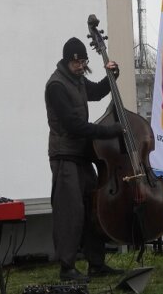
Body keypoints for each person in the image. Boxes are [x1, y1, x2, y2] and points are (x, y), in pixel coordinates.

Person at [45, 36, 125, 282]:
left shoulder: (77, 80)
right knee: (70, 213)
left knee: (93, 209)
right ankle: (67, 268)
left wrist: (113, 77)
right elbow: (74, 125)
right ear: (68, 61)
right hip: (64, 156)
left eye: (83, 62)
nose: (81, 66)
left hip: (81, 155)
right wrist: (108, 131)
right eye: (76, 62)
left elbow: (98, 92)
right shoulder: (56, 85)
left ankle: (96, 264)